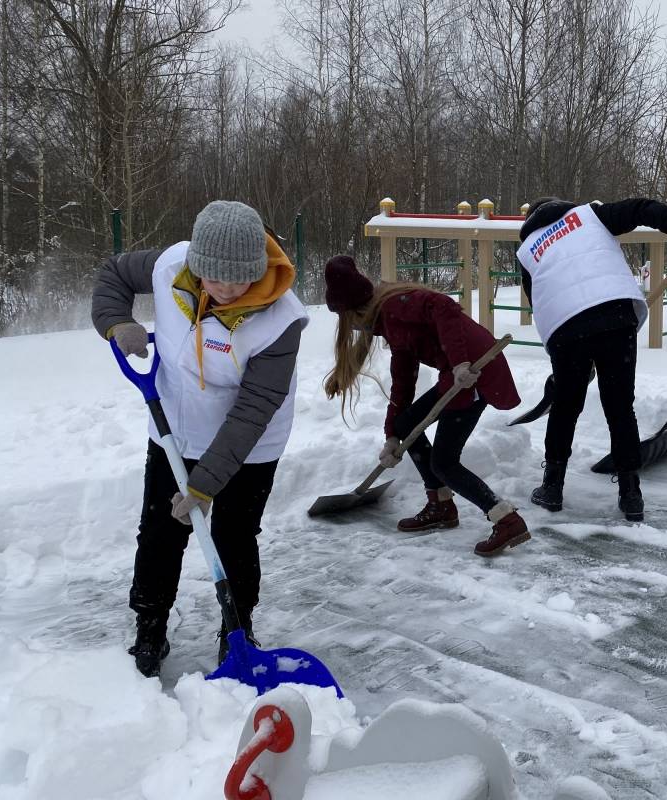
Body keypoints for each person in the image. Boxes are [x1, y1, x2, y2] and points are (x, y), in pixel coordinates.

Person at [90, 200, 308, 677]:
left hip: (250, 445)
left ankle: (237, 630)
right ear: (197, 265)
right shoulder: (170, 265)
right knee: (159, 532)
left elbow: (253, 411)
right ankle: (150, 624)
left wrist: (204, 484)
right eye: (215, 278)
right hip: (172, 429)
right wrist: (117, 321)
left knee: (234, 536)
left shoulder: (281, 320)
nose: (228, 289)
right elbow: (113, 275)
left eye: (241, 279)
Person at [515, 197, 667, 521]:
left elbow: (540, 301)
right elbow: (643, 209)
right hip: (614, 316)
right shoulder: (590, 216)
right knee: (620, 407)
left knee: (565, 407)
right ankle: (631, 494)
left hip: (565, 326)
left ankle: (552, 487)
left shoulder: (528, 250)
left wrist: (564, 362)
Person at [322, 256, 529, 556]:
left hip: (473, 374)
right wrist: (392, 436)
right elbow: (402, 381)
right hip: (455, 374)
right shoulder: (391, 324)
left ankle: (506, 518)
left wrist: (459, 362)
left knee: (444, 462)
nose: (354, 330)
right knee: (405, 424)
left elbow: (442, 306)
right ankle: (441, 505)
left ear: (356, 312)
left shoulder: (395, 305)